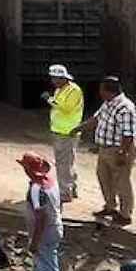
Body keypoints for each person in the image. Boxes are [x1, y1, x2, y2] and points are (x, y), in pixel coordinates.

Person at [83, 76, 136, 225]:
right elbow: (96, 118)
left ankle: (125, 214)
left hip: (119, 149)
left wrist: (122, 153)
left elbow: (128, 134)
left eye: (102, 89)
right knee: (104, 177)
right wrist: (79, 127)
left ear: (109, 91)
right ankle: (110, 206)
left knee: (121, 181)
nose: (100, 93)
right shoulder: (108, 104)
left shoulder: (125, 107)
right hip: (105, 148)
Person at [18, 152, 64, 271]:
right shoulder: (50, 182)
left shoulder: (37, 189)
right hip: (54, 227)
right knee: (40, 263)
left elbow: (41, 216)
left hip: (45, 231)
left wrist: (35, 241)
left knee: (49, 267)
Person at [44, 64, 84, 202]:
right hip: (60, 131)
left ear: (63, 78)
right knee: (67, 162)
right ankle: (71, 187)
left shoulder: (74, 91)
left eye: (56, 78)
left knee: (63, 164)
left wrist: (49, 100)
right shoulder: (60, 90)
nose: (53, 81)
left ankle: (64, 192)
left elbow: (66, 108)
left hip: (67, 132)